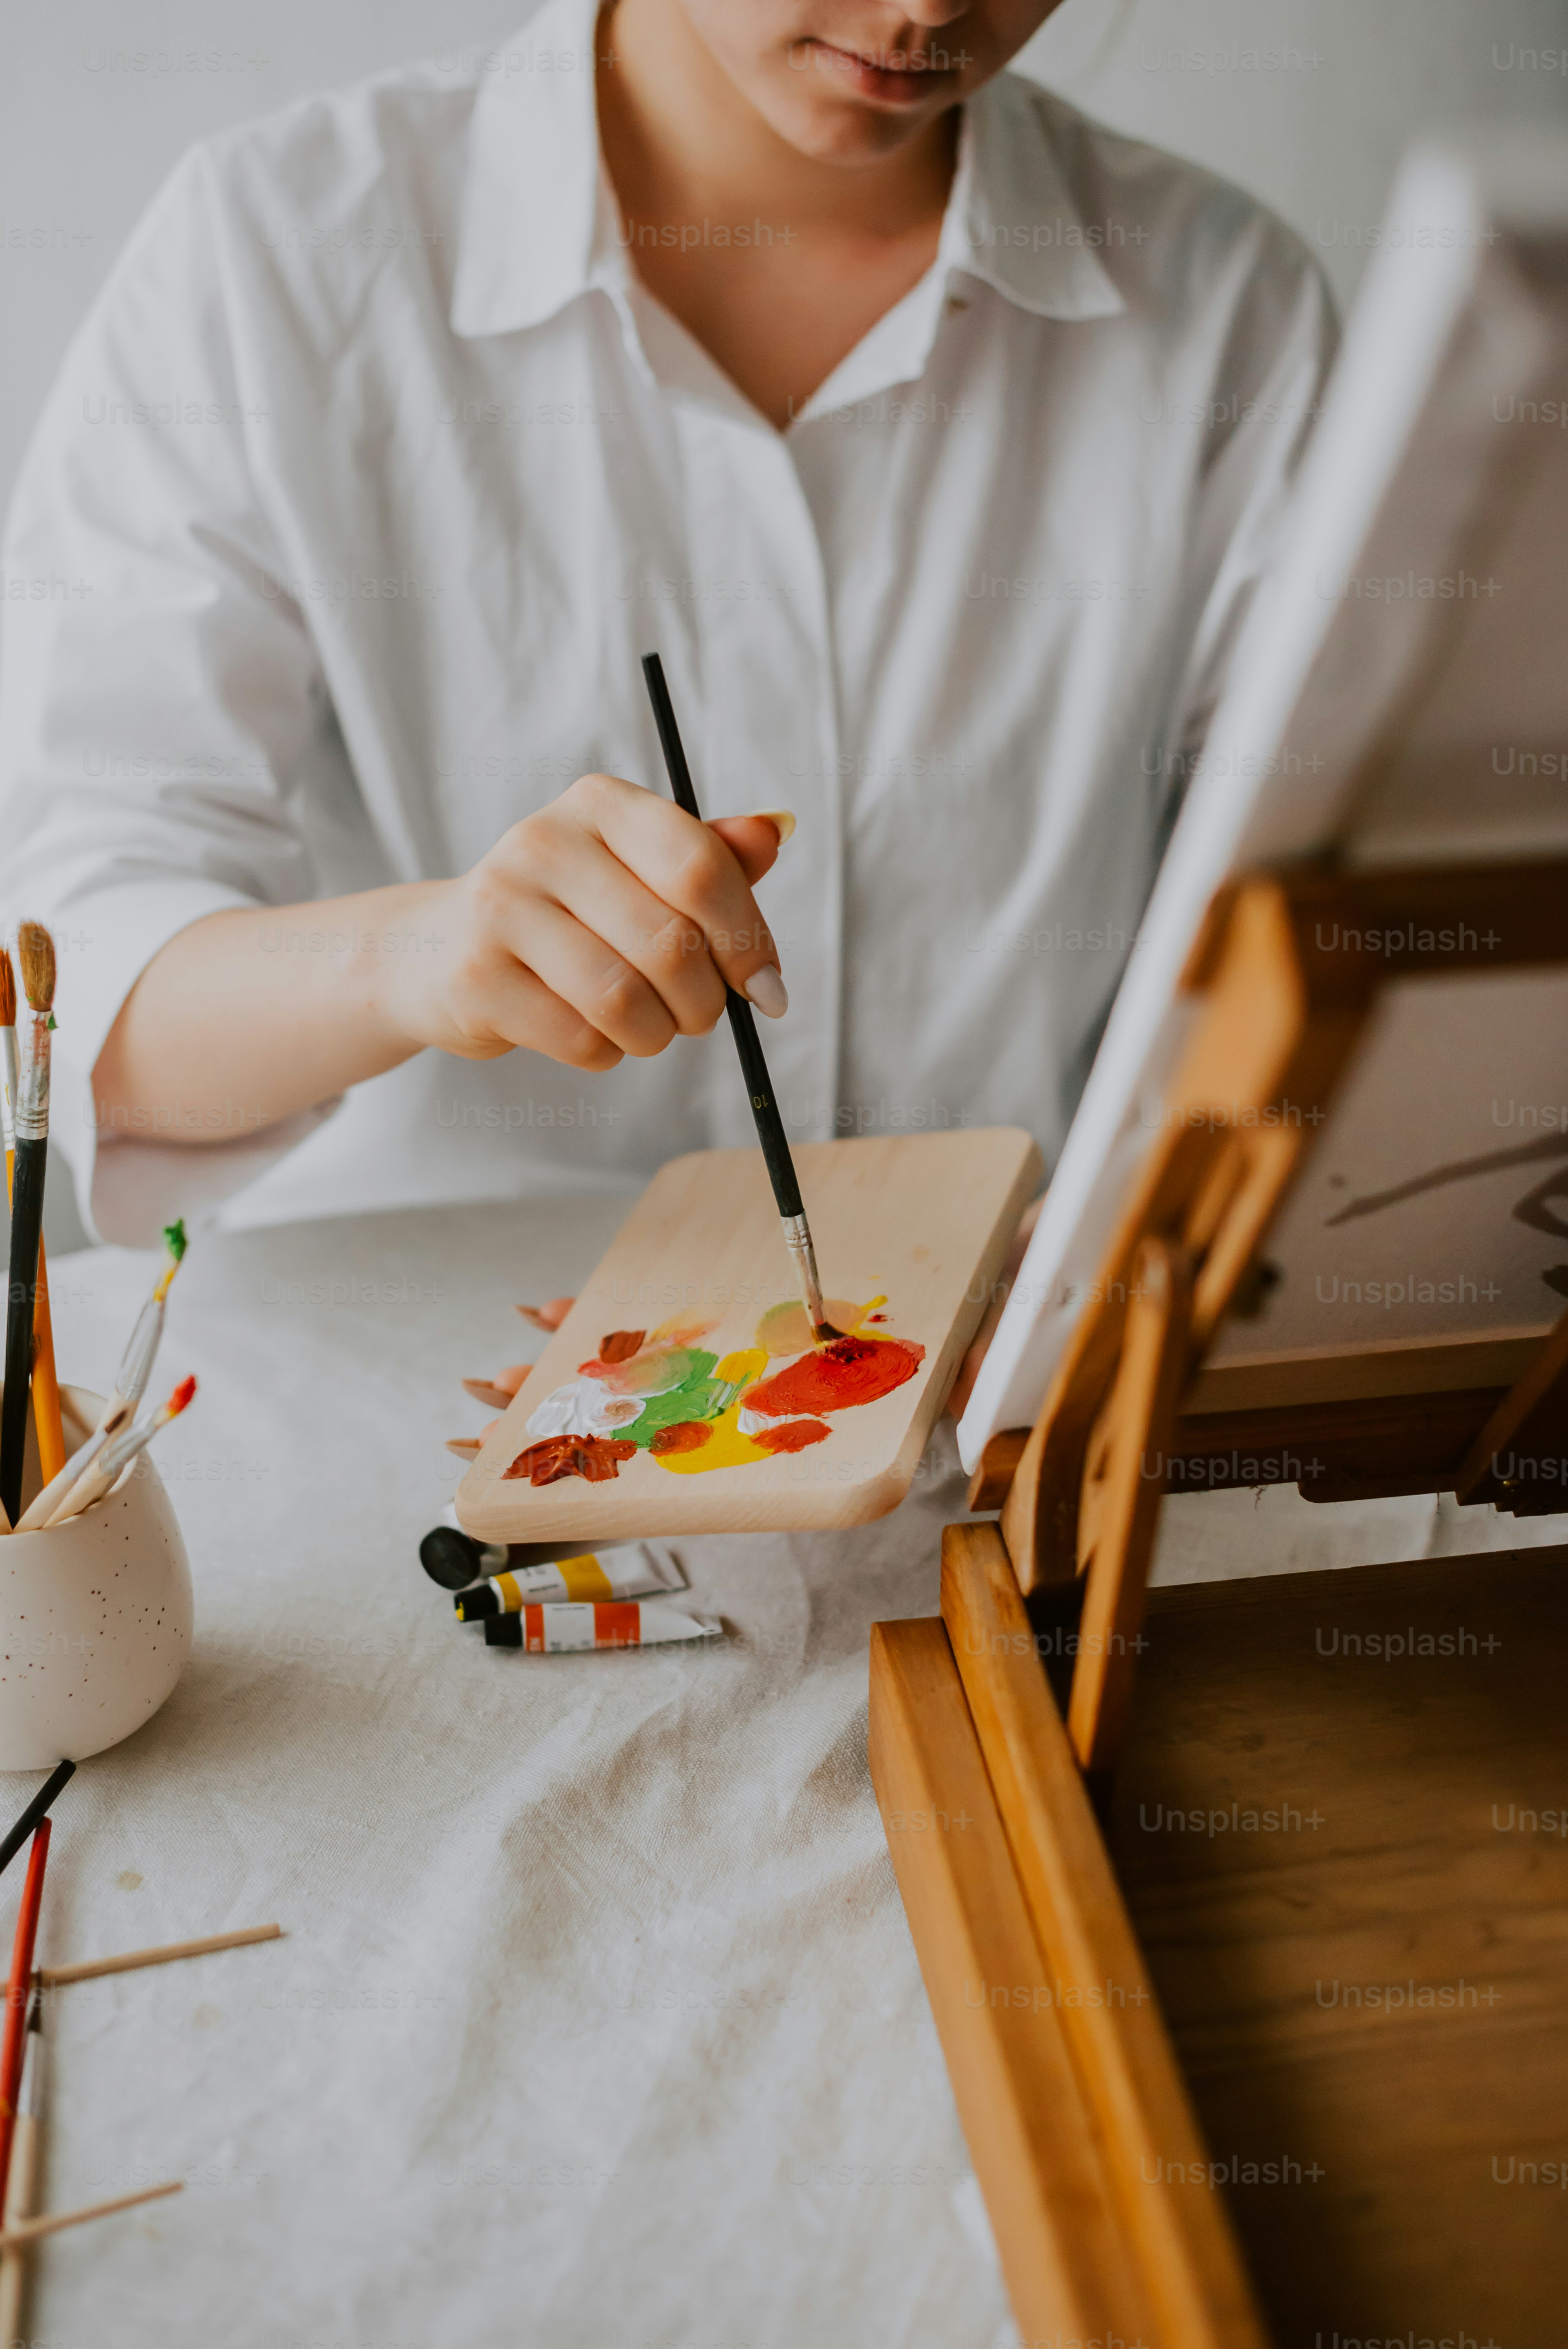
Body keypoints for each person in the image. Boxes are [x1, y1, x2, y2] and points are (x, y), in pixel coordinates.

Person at [0, 0, 1332, 1250]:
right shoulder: (275, 251)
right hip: (409, 1372)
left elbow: (1315, 929)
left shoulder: (1228, 305)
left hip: (1000, 1373)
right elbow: (79, 991)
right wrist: (418, 958)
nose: (928, 10)